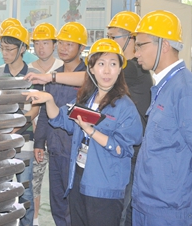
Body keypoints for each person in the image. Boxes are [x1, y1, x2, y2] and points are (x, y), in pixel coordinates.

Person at [24, 39, 143, 226]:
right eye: (101, 64)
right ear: (91, 69)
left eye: (113, 64)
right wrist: (48, 100)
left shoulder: (125, 106)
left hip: (105, 187)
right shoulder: (86, 100)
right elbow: (61, 119)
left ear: (120, 69)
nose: (107, 71)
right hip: (79, 179)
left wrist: (91, 131)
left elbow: (124, 148)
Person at [132, 10, 192, 226]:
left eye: (141, 45)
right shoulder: (165, 85)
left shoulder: (185, 89)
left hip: (169, 208)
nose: (136, 53)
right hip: (149, 202)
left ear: (164, 45)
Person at [29, 21, 88, 226]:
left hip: (76, 153)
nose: (63, 48)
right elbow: (45, 111)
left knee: (75, 206)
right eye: (61, 43)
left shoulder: (88, 77)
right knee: (57, 205)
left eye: (70, 44)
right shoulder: (53, 77)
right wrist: (39, 142)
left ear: (81, 48)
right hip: (55, 150)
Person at [105, 11, 153, 226]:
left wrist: (51, 76)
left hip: (133, 150)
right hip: (128, 146)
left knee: (122, 209)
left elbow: (95, 74)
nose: (109, 42)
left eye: (113, 37)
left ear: (130, 38)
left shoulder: (132, 67)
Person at [0, 24, 40, 226]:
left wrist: (15, 128)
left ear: (22, 49)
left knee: (25, 189)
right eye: (2, 48)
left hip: (24, 140)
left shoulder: (33, 74)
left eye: (9, 49)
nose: (5, 53)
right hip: (0, 141)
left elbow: (35, 109)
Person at [28, 22, 63, 226]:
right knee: (35, 183)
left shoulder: (62, 69)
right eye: (37, 43)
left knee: (58, 187)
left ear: (54, 44)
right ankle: (35, 221)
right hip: (36, 137)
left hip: (58, 136)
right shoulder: (29, 70)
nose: (41, 47)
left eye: (46, 43)